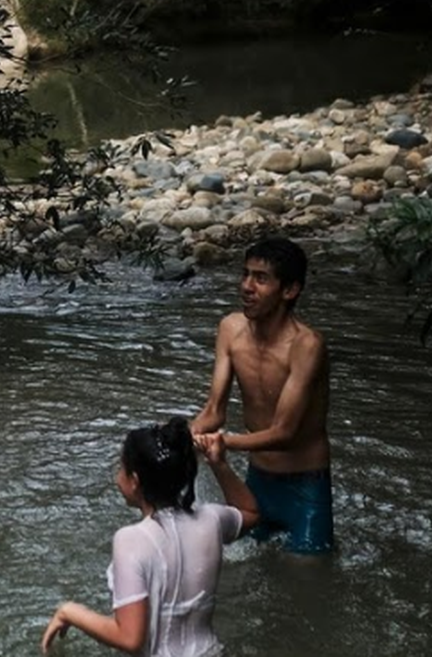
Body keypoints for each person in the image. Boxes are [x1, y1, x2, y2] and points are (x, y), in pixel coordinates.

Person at [41, 417, 258, 656]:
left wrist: (70, 612)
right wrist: (219, 464)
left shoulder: (131, 539)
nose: (117, 474)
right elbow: (250, 512)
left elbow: (131, 639)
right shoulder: (212, 519)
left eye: (121, 467)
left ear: (135, 482)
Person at [190, 237, 334, 555]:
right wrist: (185, 436)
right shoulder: (230, 329)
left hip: (306, 486)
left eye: (261, 278)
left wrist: (223, 442)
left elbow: (285, 432)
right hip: (257, 481)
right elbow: (214, 410)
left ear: (290, 290)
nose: (246, 286)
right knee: (248, 572)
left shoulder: (306, 346)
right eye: (245, 274)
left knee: (307, 578)